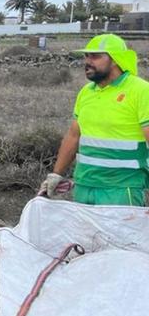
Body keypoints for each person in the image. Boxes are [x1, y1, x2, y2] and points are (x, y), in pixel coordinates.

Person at [40, 34, 149, 206]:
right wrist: (56, 174)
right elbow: (73, 136)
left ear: (115, 60)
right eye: (86, 56)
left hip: (121, 188)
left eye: (96, 56)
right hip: (84, 186)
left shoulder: (141, 91)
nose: (88, 61)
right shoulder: (86, 92)